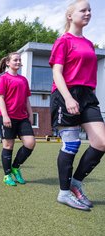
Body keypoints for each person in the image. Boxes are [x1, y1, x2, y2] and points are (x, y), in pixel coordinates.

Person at [49, 0, 105, 211]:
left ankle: (76, 183)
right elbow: (57, 72)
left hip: (87, 95)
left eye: (90, 10)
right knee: (71, 145)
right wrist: (68, 98)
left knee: (101, 142)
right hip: (66, 93)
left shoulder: (90, 44)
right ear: (70, 16)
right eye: (83, 10)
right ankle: (64, 192)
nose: (88, 13)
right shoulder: (63, 40)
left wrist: (83, 97)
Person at [0, 52, 36, 186]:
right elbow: (0, 98)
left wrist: (31, 114)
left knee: (30, 143)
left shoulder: (23, 80)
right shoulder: (3, 79)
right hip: (7, 117)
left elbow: (26, 99)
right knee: (8, 145)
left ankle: (15, 167)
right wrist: (5, 116)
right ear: (8, 63)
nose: (18, 62)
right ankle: (7, 174)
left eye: (19, 60)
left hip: (22, 117)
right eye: (15, 60)